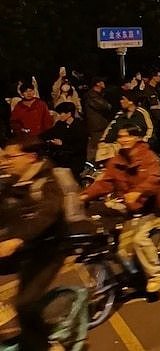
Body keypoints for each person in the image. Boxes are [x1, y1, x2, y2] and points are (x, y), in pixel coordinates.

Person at [0, 136, 68, 351]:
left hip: (48, 250)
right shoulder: (12, 182)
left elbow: (46, 214)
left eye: (11, 157)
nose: (6, 161)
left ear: (30, 157)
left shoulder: (47, 181)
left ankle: (48, 345)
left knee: (25, 304)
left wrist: (18, 238)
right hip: (21, 248)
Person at [80, 126, 160, 292]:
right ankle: (130, 271)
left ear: (137, 137)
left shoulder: (149, 157)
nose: (123, 139)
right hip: (125, 209)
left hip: (146, 208)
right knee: (109, 241)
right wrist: (85, 195)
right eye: (120, 136)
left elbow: (154, 179)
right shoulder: (116, 161)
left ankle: (156, 275)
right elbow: (104, 182)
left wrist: (138, 192)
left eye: (128, 136)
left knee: (139, 240)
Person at [41, 101, 87, 178]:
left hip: (75, 161)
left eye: (60, 114)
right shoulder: (60, 124)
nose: (58, 116)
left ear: (69, 114)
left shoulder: (80, 127)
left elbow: (79, 147)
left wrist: (62, 144)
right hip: (61, 160)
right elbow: (49, 133)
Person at [84, 77, 113, 161]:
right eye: (102, 81)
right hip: (96, 127)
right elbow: (104, 106)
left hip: (101, 125)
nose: (104, 83)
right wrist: (108, 105)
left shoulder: (99, 94)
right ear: (97, 83)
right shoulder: (92, 95)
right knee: (97, 149)